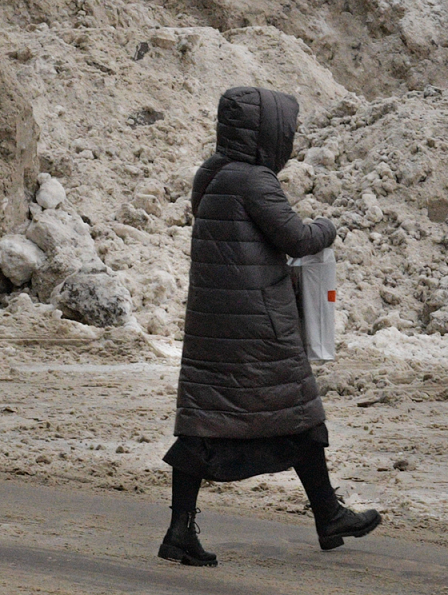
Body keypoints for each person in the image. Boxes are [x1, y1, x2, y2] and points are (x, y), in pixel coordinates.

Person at [159, 86, 381, 566]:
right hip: (258, 328)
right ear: (267, 133)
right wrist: (328, 226)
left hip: (215, 327)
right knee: (300, 413)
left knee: (204, 423)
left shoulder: (211, 176)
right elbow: (297, 238)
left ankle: (183, 529)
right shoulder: (255, 181)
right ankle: (328, 515)